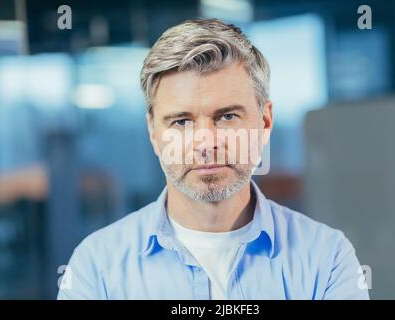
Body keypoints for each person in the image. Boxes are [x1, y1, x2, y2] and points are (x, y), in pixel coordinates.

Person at [58, 18, 369, 300]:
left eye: (227, 116)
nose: (206, 142)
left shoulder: (326, 259)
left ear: (264, 122)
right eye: (181, 121)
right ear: (153, 132)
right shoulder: (95, 268)